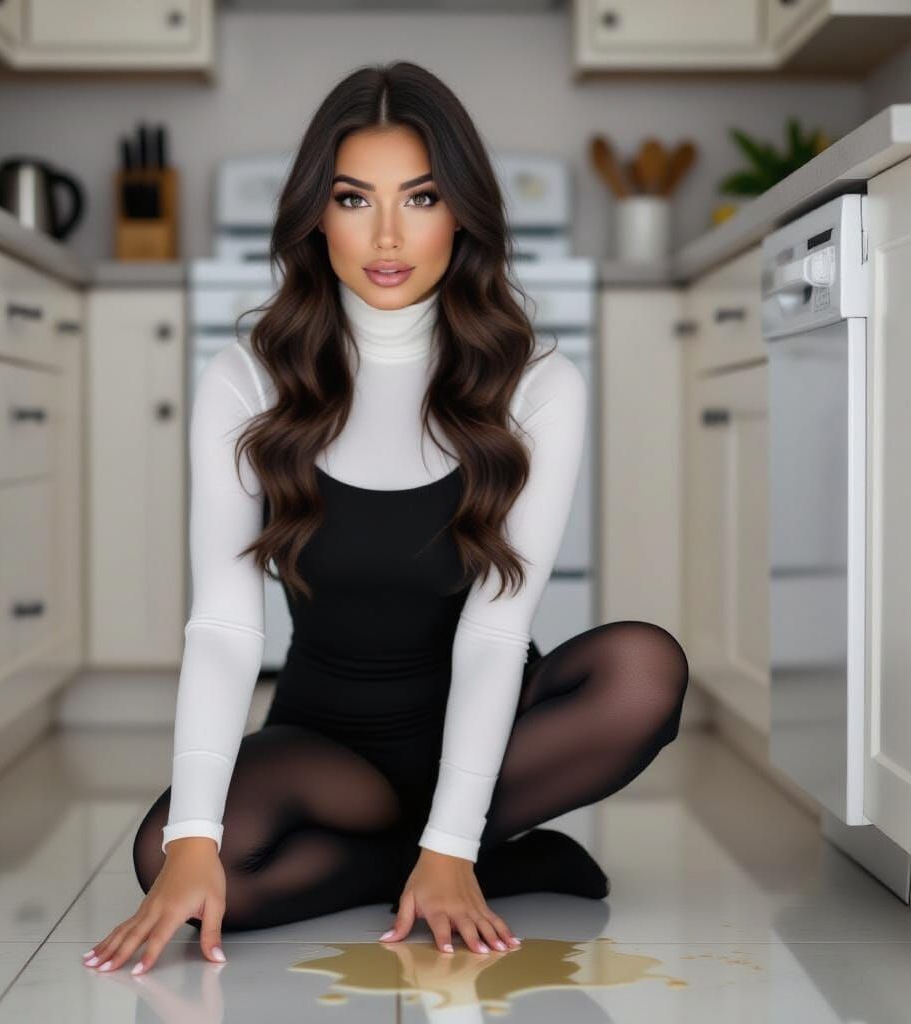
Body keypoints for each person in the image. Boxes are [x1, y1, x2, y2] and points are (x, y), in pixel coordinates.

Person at [82, 61, 689, 978]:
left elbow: (495, 630)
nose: (390, 234)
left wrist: (450, 837)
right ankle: (491, 860)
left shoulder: (537, 386)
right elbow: (223, 623)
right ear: (315, 215)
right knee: (168, 856)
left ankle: (455, 850)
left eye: (422, 196)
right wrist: (198, 835)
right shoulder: (246, 380)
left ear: (464, 211)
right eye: (355, 198)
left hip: (490, 719)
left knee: (643, 671)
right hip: (332, 749)